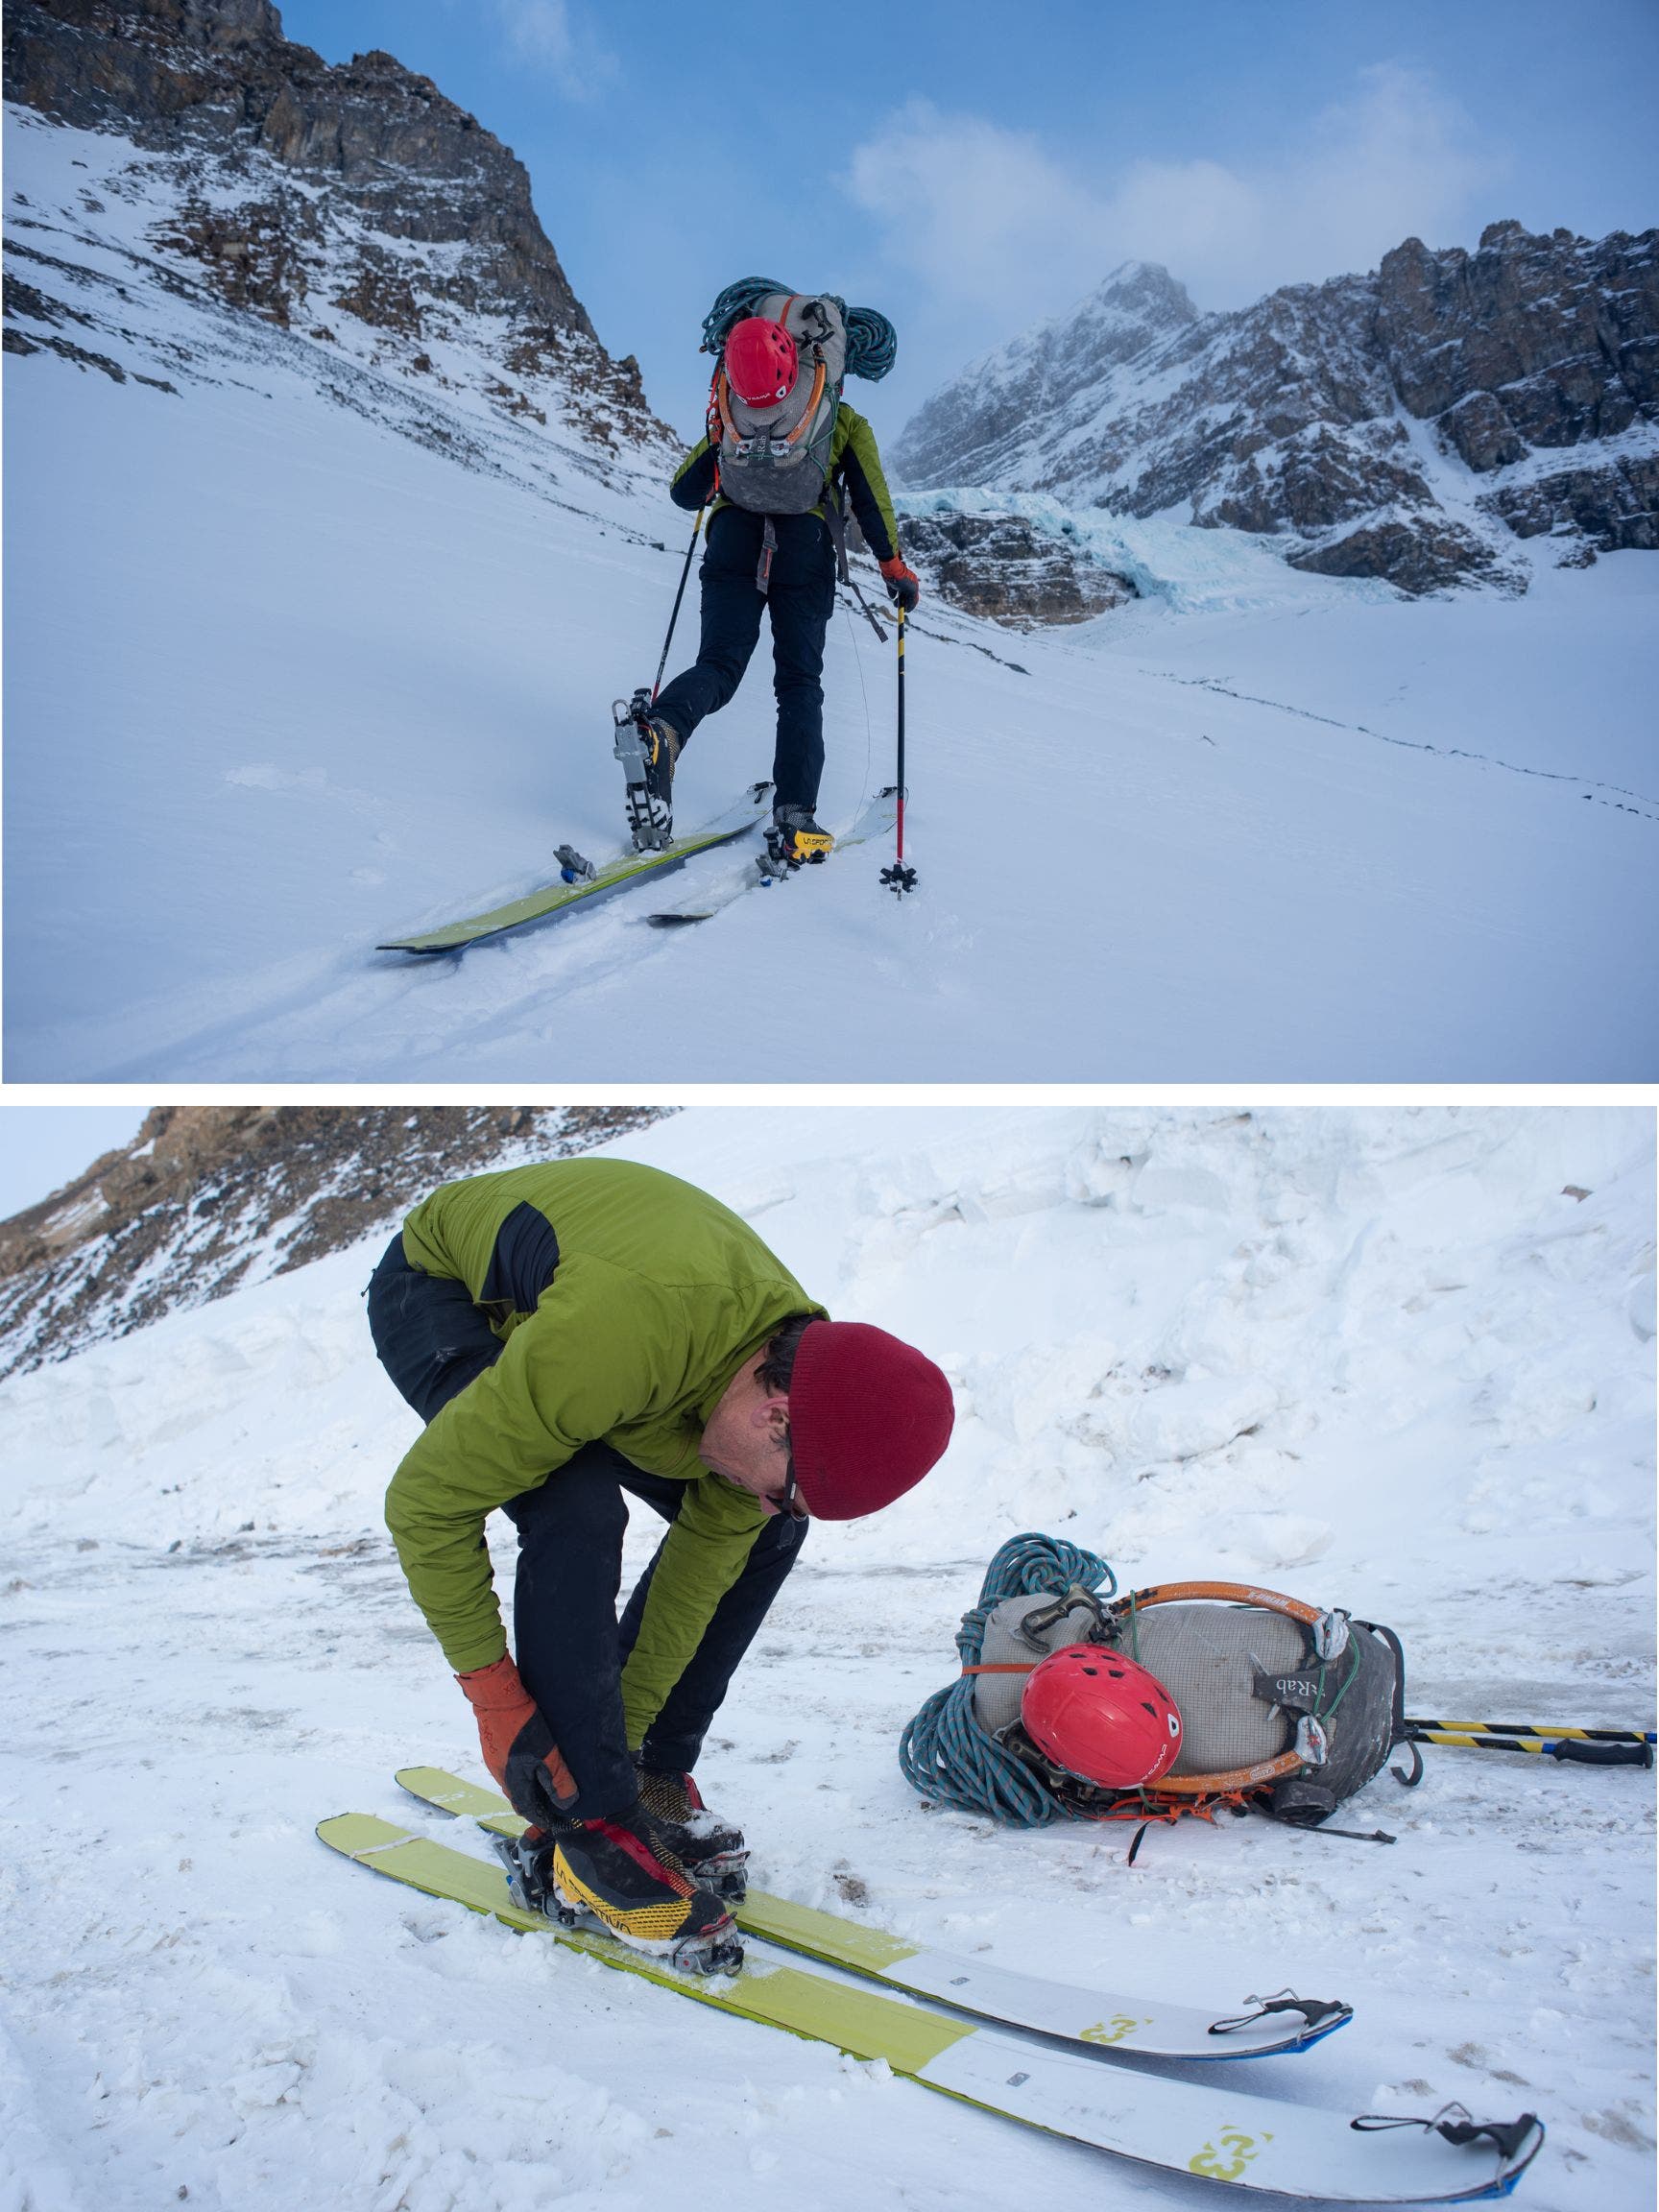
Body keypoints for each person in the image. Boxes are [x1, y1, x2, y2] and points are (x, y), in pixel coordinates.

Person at [369, 1155, 954, 1974]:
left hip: (638, 1361)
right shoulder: (615, 1337)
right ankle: (589, 1833)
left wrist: (625, 1738)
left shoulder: (779, 1380)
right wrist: (496, 1698)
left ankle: (642, 1778)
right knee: (574, 1511)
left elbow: (693, 1585)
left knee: (763, 1535)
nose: (771, 1500)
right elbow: (425, 1505)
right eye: (789, 1487)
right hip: (449, 1295)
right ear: (774, 1413)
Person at [629, 307, 922, 872]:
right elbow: (870, 501)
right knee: (798, 683)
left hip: (733, 539)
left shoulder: (733, 409)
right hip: (804, 551)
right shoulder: (842, 419)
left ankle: (663, 729)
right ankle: (794, 818)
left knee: (718, 663)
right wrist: (895, 571)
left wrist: (726, 446)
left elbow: (685, 494)